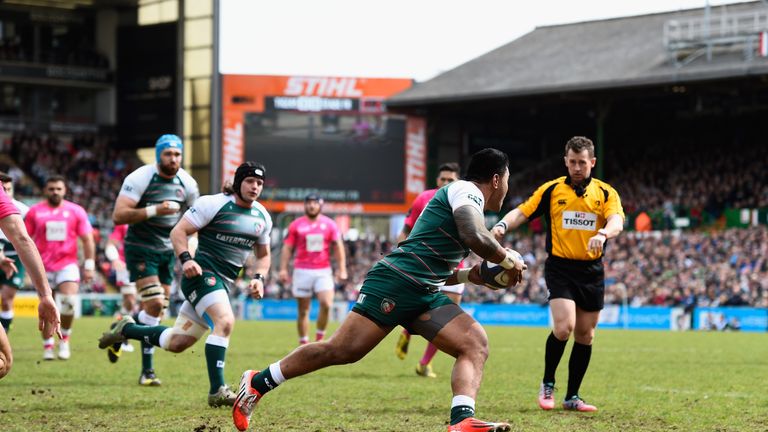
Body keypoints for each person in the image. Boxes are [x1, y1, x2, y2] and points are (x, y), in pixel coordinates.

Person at [232, 148, 526, 432]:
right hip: (396, 282)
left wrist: (468, 275)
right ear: (497, 179)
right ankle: (258, 382)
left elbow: (430, 261)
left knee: (474, 343)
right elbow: (472, 235)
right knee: (341, 350)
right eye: (508, 179)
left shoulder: (467, 198)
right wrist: (507, 259)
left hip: (422, 290)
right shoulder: (467, 190)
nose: (508, 186)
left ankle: (462, 420)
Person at [100, 162, 272, 406]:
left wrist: (258, 278)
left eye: (259, 183)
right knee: (225, 322)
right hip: (202, 276)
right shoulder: (213, 204)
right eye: (250, 181)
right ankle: (217, 390)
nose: (255, 187)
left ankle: (126, 330)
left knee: (177, 342)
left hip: (224, 283)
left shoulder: (263, 216)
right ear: (238, 182)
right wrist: (186, 259)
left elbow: (263, 256)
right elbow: (178, 232)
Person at [491, 136, 624, 412]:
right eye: (572, 162)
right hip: (560, 268)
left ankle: (573, 396)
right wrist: (503, 224)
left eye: (582, 163)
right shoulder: (551, 191)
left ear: (592, 163)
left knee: (586, 335)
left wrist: (603, 232)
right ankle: (548, 383)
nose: (577, 167)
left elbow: (617, 221)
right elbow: (523, 212)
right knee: (564, 327)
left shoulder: (606, 193)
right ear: (565, 161)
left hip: (591, 270)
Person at [111, 133, 199, 386]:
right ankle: (147, 371)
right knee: (155, 305)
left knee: (156, 311)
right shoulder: (140, 177)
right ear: (159, 155)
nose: (173, 159)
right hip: (140, 248)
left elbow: (196, 220)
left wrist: (190, 245)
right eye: (168, 154)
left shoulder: (188, 183)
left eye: (177, 154)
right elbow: (118, 215)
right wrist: (154, 210)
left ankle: (122, 329)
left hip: (167, 251)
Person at [394, 162, 461, 378]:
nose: (446, 183)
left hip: (454, 266)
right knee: (423, 308)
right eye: (443, 179)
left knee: (446, 319)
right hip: (425, 265)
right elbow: (405, 231)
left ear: (458, 181)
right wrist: (403, 255)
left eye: (451, 180)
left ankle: (424, 363)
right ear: (437, 180)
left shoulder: (464, 201)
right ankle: (407, 330)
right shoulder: (424, 199)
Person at [25, 174, 95, 360]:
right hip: (42, 266)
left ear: (65, 191)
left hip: (67, 264)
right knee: (48, 307)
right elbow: (25, 240)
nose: (55, 192)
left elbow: (87, 239)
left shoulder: (76, 211)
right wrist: (27, 268)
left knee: (68, 303)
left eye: (58, 189)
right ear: (45, 191)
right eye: (51, 189)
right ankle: (48, 345)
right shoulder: (34, 212)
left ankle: (64, 339)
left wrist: (89, 265)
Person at [0, 180, 61, 379]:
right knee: (3, 361)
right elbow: (22, 237)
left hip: (11, 257)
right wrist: (45, 294)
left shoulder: (24, 210)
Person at [278, 193, 347, 345]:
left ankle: (319, 340)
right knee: (303, 310)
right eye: (308, 202)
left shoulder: (330, 224)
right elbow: (287, 248)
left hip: (323, 270)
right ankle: (303, 344)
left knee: (327, 304)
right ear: (305, 205)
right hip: (302, 270)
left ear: (320, 205)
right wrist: (283, 269)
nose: (311, 205)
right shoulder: (296, 224)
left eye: (315, 203)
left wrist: (342, 268)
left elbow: (338, 247)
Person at [0, 172, 30, 333]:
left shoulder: (24, 211)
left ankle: (4, 334)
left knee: (6, 299)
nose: (5, 193)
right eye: (2, 189)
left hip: (15, 257)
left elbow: (28, 238)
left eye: (8, 189)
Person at [104, 223, 136, 359]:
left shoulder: (151, 221)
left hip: (147, 264)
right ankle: (123, 336)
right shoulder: (124, 225)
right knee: (130, 300)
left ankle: (117, 325)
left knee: (144, 305)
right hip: (126, 266)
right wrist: (115, 259)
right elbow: (110, 244)